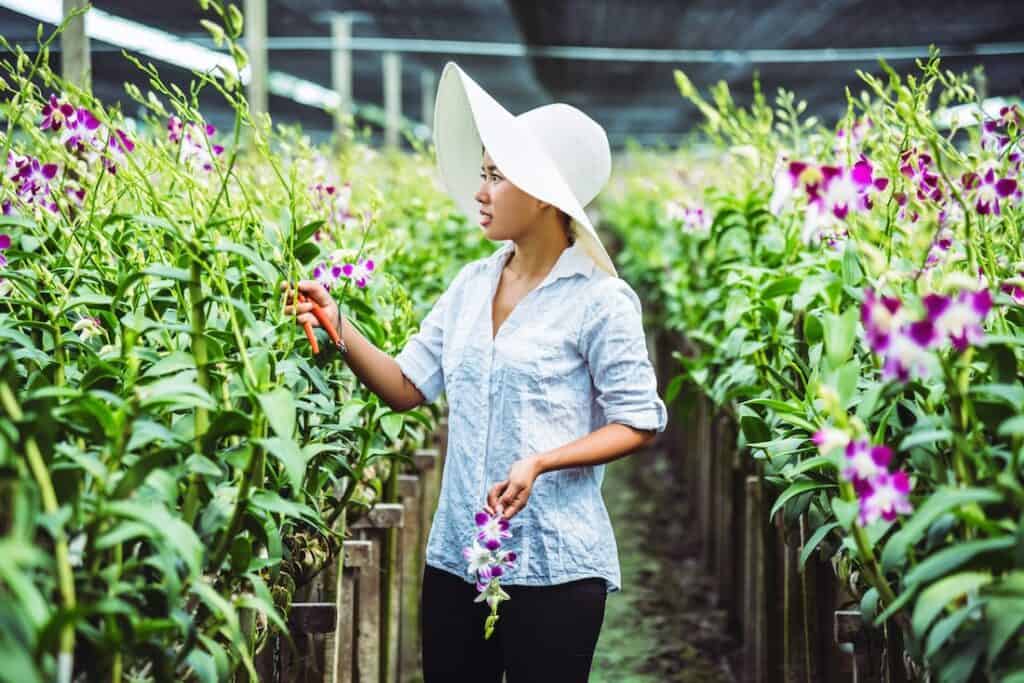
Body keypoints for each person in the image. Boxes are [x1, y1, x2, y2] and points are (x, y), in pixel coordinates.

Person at [284, 62, 667, 682]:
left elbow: (639, 421)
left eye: (497, 177)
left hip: (556, 564)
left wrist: (543, 462)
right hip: (459, 557)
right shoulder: (470, 286)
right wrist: (339, 325)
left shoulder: (599, 300)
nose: (480, 192)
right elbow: (406, 388)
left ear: (544, 195)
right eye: (482, 174)